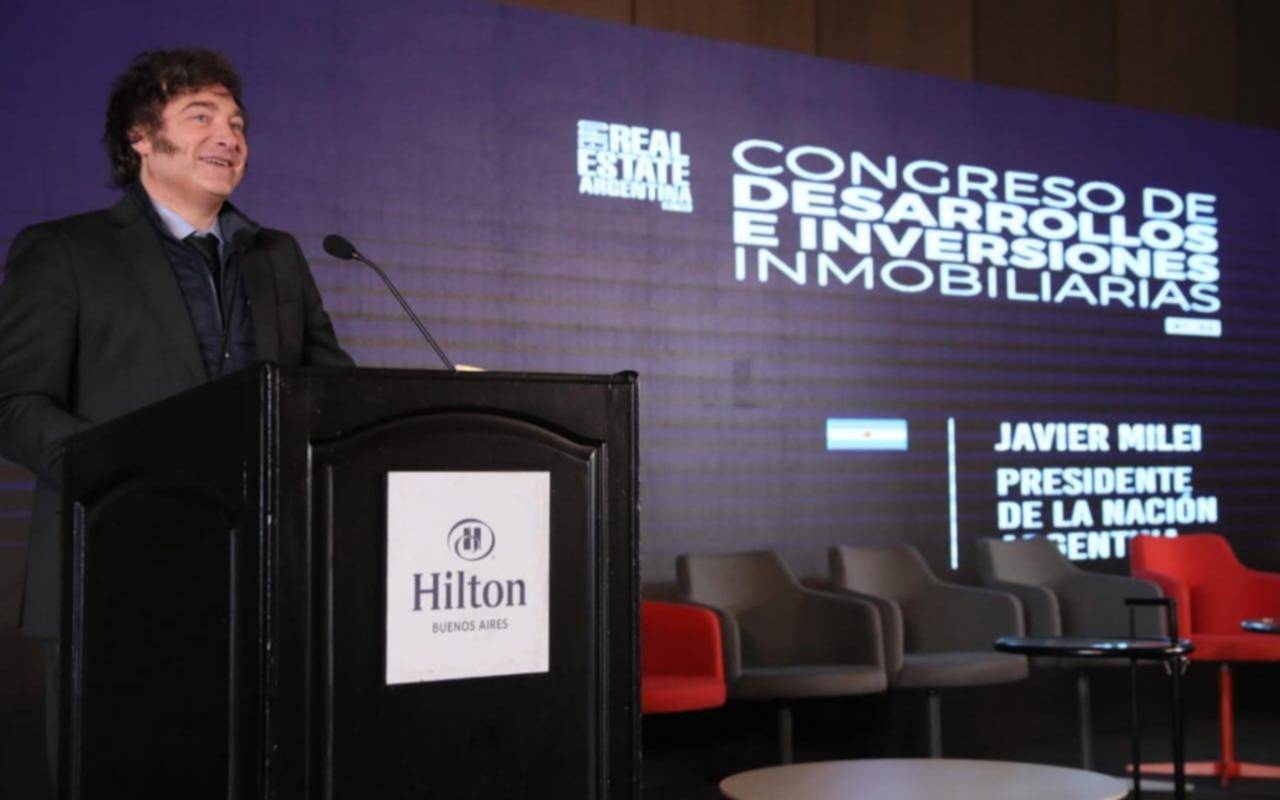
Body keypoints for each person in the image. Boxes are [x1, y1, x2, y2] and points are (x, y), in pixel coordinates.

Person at [0, 48, 354, 783]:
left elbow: (330, 391)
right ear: (140, 137)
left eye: (238, 123)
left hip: (262, 584)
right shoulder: (66, 251)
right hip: (116, 576)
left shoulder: (277, 257)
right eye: (201, 117)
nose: (229, 136)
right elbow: (14, 403)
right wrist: (125, 474)